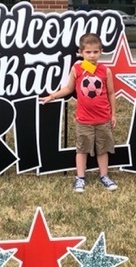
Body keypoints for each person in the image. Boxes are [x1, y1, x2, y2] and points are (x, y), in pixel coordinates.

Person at [40, 33, 118, 193]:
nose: (92, 55)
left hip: (103, 119)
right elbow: (69, 89)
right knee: (82, 149)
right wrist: (52, 96)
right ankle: (80, 178)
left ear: (101, 51)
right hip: (84, 120)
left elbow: (110, 93)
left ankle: (104, 176)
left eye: (95, 52)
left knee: (103, 149)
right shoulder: (77, 69)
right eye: (88, 52)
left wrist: (113, 115)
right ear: (81, 52)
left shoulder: (105, 71)